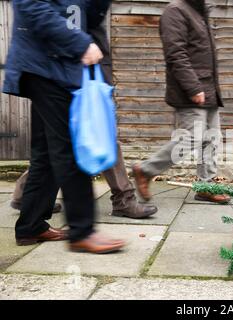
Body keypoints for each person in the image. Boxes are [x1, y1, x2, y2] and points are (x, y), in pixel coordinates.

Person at [3, 0, 125, 253]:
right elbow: (32, 7)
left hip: (59, 67)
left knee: (46, 153)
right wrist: (81, 44)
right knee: (70, 148)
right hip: (42, 66)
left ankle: (31, 226)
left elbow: (87, 16)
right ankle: (82, 232)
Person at [9, 24, 158, 220]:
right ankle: (123, 200)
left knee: (62, 141)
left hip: (75, 71)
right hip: (68, 71)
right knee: (100, 137)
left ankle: (23, 194)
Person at [132, 0, 230, 204]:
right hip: (191, 90)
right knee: (190, 138)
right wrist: (193, 87)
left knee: (211, 138)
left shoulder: (199, 11)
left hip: (209, 88)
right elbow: (175, 54)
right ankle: (146, 170)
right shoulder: (175, 11)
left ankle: (206, 186)